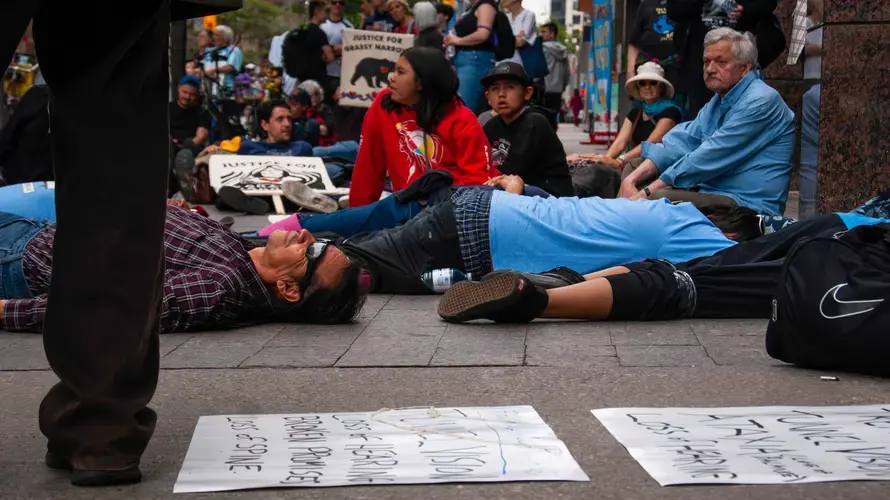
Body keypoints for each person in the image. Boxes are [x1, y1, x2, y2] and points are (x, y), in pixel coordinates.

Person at [0, 0, 241, 488]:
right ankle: (100, 427)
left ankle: (99, 423)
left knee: (115, 131)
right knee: (114, 133)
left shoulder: (226, 276)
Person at [437, 204, 890, 325]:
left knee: (704, 267)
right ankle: (539, 299)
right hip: (856, 254)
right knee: (691, 285)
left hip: (847, 227)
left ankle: (566, 282)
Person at [0, 205, 368, 334]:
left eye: (314, 250)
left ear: (289, 289)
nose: (305, 233)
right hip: (34, 233)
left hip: (18, 257)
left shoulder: (218, 287)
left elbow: (115, 311)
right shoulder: (245, 261)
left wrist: (6, 312)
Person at [618, 28, 794, 216]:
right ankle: (627, 226)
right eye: (706, 62)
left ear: (744, 68)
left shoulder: (760, 101)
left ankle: (626, 228)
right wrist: (631, 180)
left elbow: (708, 156)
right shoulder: (719, 100)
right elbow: (683, 141)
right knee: (635, 168)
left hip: (747, 205)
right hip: (710, 189)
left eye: (721, 62)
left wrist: (647, 192)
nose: (710, 69)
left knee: (657, 198)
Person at [348, 47, 496, 207]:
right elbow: (368, 168)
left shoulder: (462, 119)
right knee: (327, 224)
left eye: (401, 72)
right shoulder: (384, 105)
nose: (392, 77)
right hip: (403, 209)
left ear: (422, 82)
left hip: (446, 215)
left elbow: (477, 184)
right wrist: (357, 217)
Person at [667, 0, 780, 119]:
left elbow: (768, 4)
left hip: (739, 54)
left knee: (742, 108)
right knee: (701, 112)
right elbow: (675, 10)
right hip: (699, 58)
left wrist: (744, 11)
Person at [481, 62, 574, 197]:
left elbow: (516, 171)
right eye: (495, 89)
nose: (501, 94)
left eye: (510, 87)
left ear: (527, 93)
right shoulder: (491, 126)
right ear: (488, 97)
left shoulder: (535, 122)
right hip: (515, 192)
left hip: (550, 198)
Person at [572, 62, 681, 171]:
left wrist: (620, 160)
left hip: (661, 168)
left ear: (661, 87)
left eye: (653, 83)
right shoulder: (635, 113)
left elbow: (651, 143)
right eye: (642, 83)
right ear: (638, 88)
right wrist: (606, 160)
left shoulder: (671, 112)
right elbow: (620, 142)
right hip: (636, 165)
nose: (647, 87)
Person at [444, 0, 498, 114]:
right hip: (466, 61)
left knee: (464, 110)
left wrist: (457, 40)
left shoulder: (485, 5)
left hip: (474, 61)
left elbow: (483, 34)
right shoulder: (471, 8)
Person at [627, 0, 683, 104]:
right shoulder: (646, 4)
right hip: (648, 69)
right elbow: (634, 42)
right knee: (644, 107)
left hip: (677, 69)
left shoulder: (685, 4)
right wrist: (630, 73)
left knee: (676, 108)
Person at [320, 0, 354, 103]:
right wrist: (334, 49)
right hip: (322, 73)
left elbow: (354, 51)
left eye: (341, 2)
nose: (338, 5)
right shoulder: (322, 25)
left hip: (340, 76)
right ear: (329, 4)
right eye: (334, 2)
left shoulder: (350, 27)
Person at [169, 75, 211, 154]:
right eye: (184, 92)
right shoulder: (168, 109)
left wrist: (184, 147)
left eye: (192, 94)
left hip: (190, 150)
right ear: (178, 88)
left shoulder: (202, 113)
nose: (187, 97)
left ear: (197, 94)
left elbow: (201, 136)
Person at [539, 23, 569, 129]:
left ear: (552, 34)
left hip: (543, 87)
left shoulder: (541, 48)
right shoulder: (564, 51)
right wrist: (563, 85)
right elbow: (567, 72)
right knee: (553, 116)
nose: (540, 34)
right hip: (557, 89)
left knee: (542, 117)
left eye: (543, 32)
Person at [203, 25, 244, 96]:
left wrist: (213, 71)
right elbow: (203, 65)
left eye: (217, 35)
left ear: (225, 37)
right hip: (207, 89)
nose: (214, 37)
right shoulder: (209, 51)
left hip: (226, 91)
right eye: (214, 35)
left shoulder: (234, 50)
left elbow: (230, 67)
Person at [502, 0, 537, 67]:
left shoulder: (528, 15)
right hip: (507, 61)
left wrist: (504, 39)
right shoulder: (506, 17)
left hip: (524, 60)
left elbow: (520, 42)